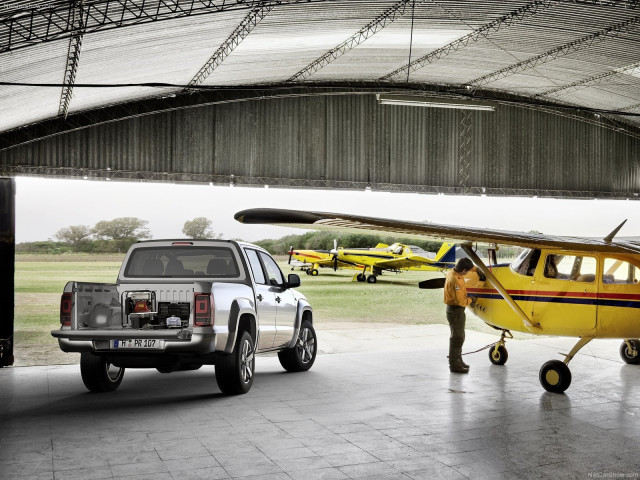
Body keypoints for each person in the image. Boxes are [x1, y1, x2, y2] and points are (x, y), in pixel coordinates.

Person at [443, 257, 476, 374]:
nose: (468, 273)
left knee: (459, 337)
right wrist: (470, 300)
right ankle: (454, 365)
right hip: (455, 310)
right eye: (467, 271)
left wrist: (477, 270)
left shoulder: (454, 272)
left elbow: (468, 267)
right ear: (463, 270)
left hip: (457, 311)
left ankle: (458, 360)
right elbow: (460, 301)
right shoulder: (455, 280)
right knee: (457, 338)